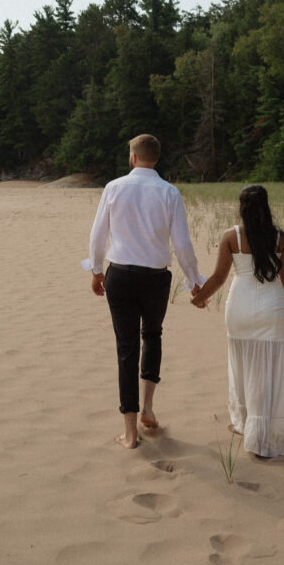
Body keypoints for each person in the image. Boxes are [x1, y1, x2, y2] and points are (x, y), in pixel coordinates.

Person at [85, 134, 205, 449]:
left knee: (126, 348)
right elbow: (181, 244)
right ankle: (148, 407)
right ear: (155, 158)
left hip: (120, 275)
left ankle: (130, 432)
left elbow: (98, 234)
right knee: (152, 335)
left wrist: (96, 270)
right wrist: (194, 279)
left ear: (134, 158)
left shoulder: (113, 187)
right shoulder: (170, 192)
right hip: (155, 277)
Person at [190, 184, 284, 458]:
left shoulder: (232, 236)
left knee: (243, 365)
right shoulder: (279, 238)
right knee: (267, 370)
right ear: (266, 207)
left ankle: (246, 425)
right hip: (272, 307)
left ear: (241, 208)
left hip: (240, 306)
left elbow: (219, 277)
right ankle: (261, 433)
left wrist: (199, 298)